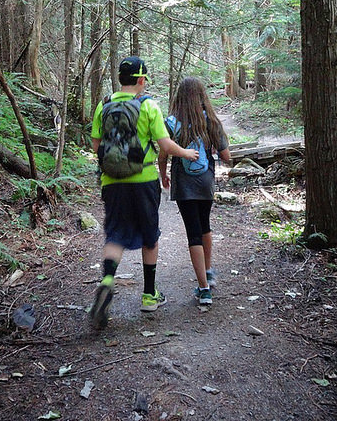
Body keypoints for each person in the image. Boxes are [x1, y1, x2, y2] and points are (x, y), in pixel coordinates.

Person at [89, 57, 199, 330]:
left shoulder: (103, 104)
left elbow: (95, 145)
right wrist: (186, 153)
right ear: (140, 80)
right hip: (144, 180)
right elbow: (165, 144)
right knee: (150, 235)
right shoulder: (148, 105)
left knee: (115, 233)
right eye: (145, 79)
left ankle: (106, 281)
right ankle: (149, 295)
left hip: (111, 181)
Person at [158, 77, 231, 305]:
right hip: (206, 182)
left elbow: (163, 155)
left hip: (184, 184)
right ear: (202, 96)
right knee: (205, 225)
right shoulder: (211, 121)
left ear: (179, 96)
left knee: (193, 233)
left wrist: (164, 175)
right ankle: (208, 272)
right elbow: (227, 157)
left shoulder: (170, 122)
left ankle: (204, 289)